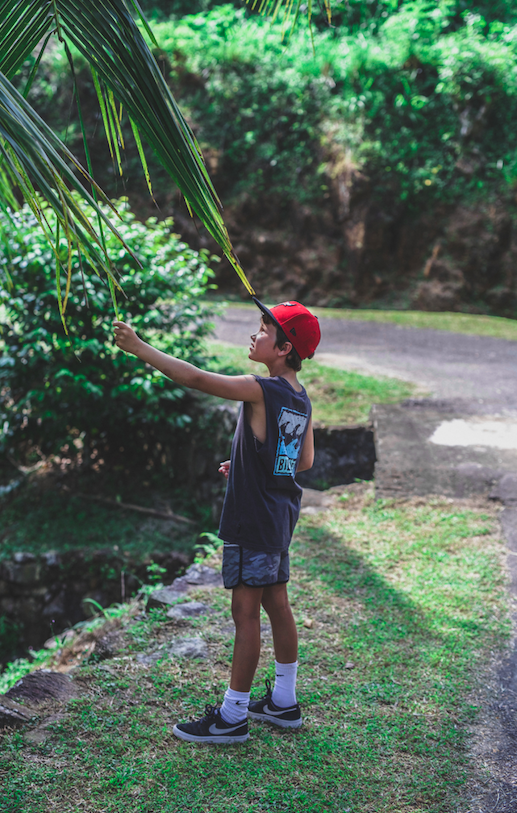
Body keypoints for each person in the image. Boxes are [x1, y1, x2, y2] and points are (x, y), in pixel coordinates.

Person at [113, 299, 320, 744]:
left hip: (253, 520)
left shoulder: (261, 389)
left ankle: (233, 717)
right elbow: (302, 459)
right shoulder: (298, 397)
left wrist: (140, 348)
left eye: (264, 329)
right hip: (279, 517)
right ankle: (283, 701)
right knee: (275, 603)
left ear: (284, 348)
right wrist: (250, 463)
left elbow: (195, 378)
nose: (255, 334)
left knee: (245, 613)